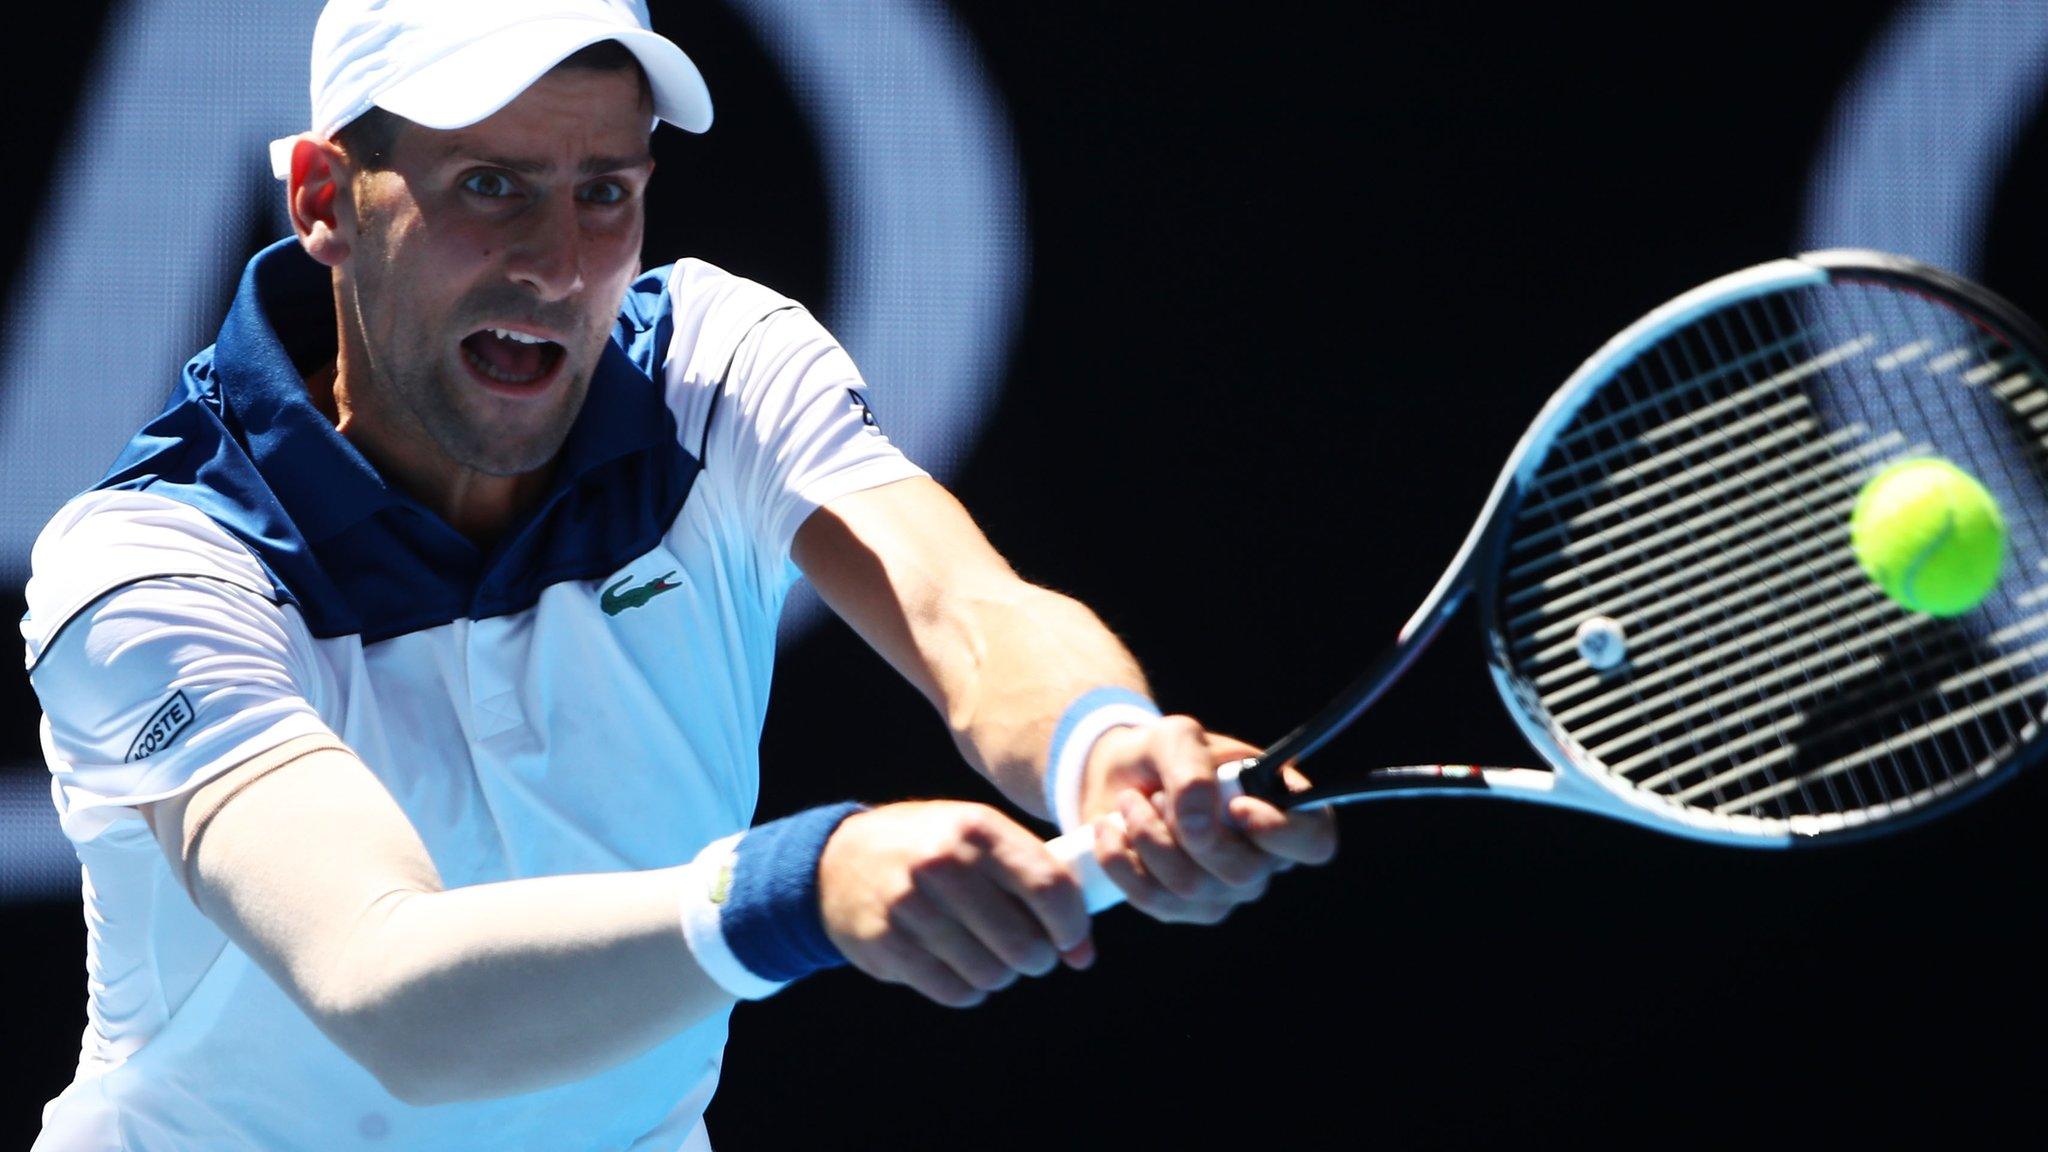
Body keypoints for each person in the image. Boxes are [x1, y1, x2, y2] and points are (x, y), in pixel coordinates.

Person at [20, 1, 1336, 1147]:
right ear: (325, 202)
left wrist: (1104, 752)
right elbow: (391, 988)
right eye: (491, 185)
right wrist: (800, 887)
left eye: (606, 191)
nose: (556, 264)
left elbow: (966, 613)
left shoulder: (714, 365)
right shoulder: (155, 565)